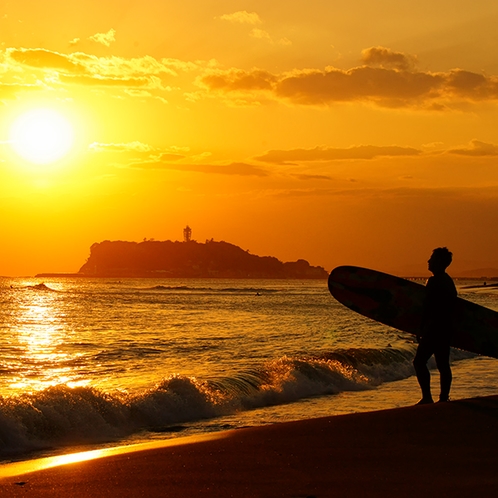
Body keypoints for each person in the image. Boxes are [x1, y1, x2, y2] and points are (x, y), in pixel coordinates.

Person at [413, 247, 457, 404]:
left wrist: (421, 327)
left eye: (431, 258)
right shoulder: (448, 281)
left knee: (419, 362)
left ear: (438, 262)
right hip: (446, 328)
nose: (428, 261)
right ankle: (443, 398)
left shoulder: (434, 281)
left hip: (434, 328)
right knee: (443, 364)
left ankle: (427, 397)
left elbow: (428, 306)